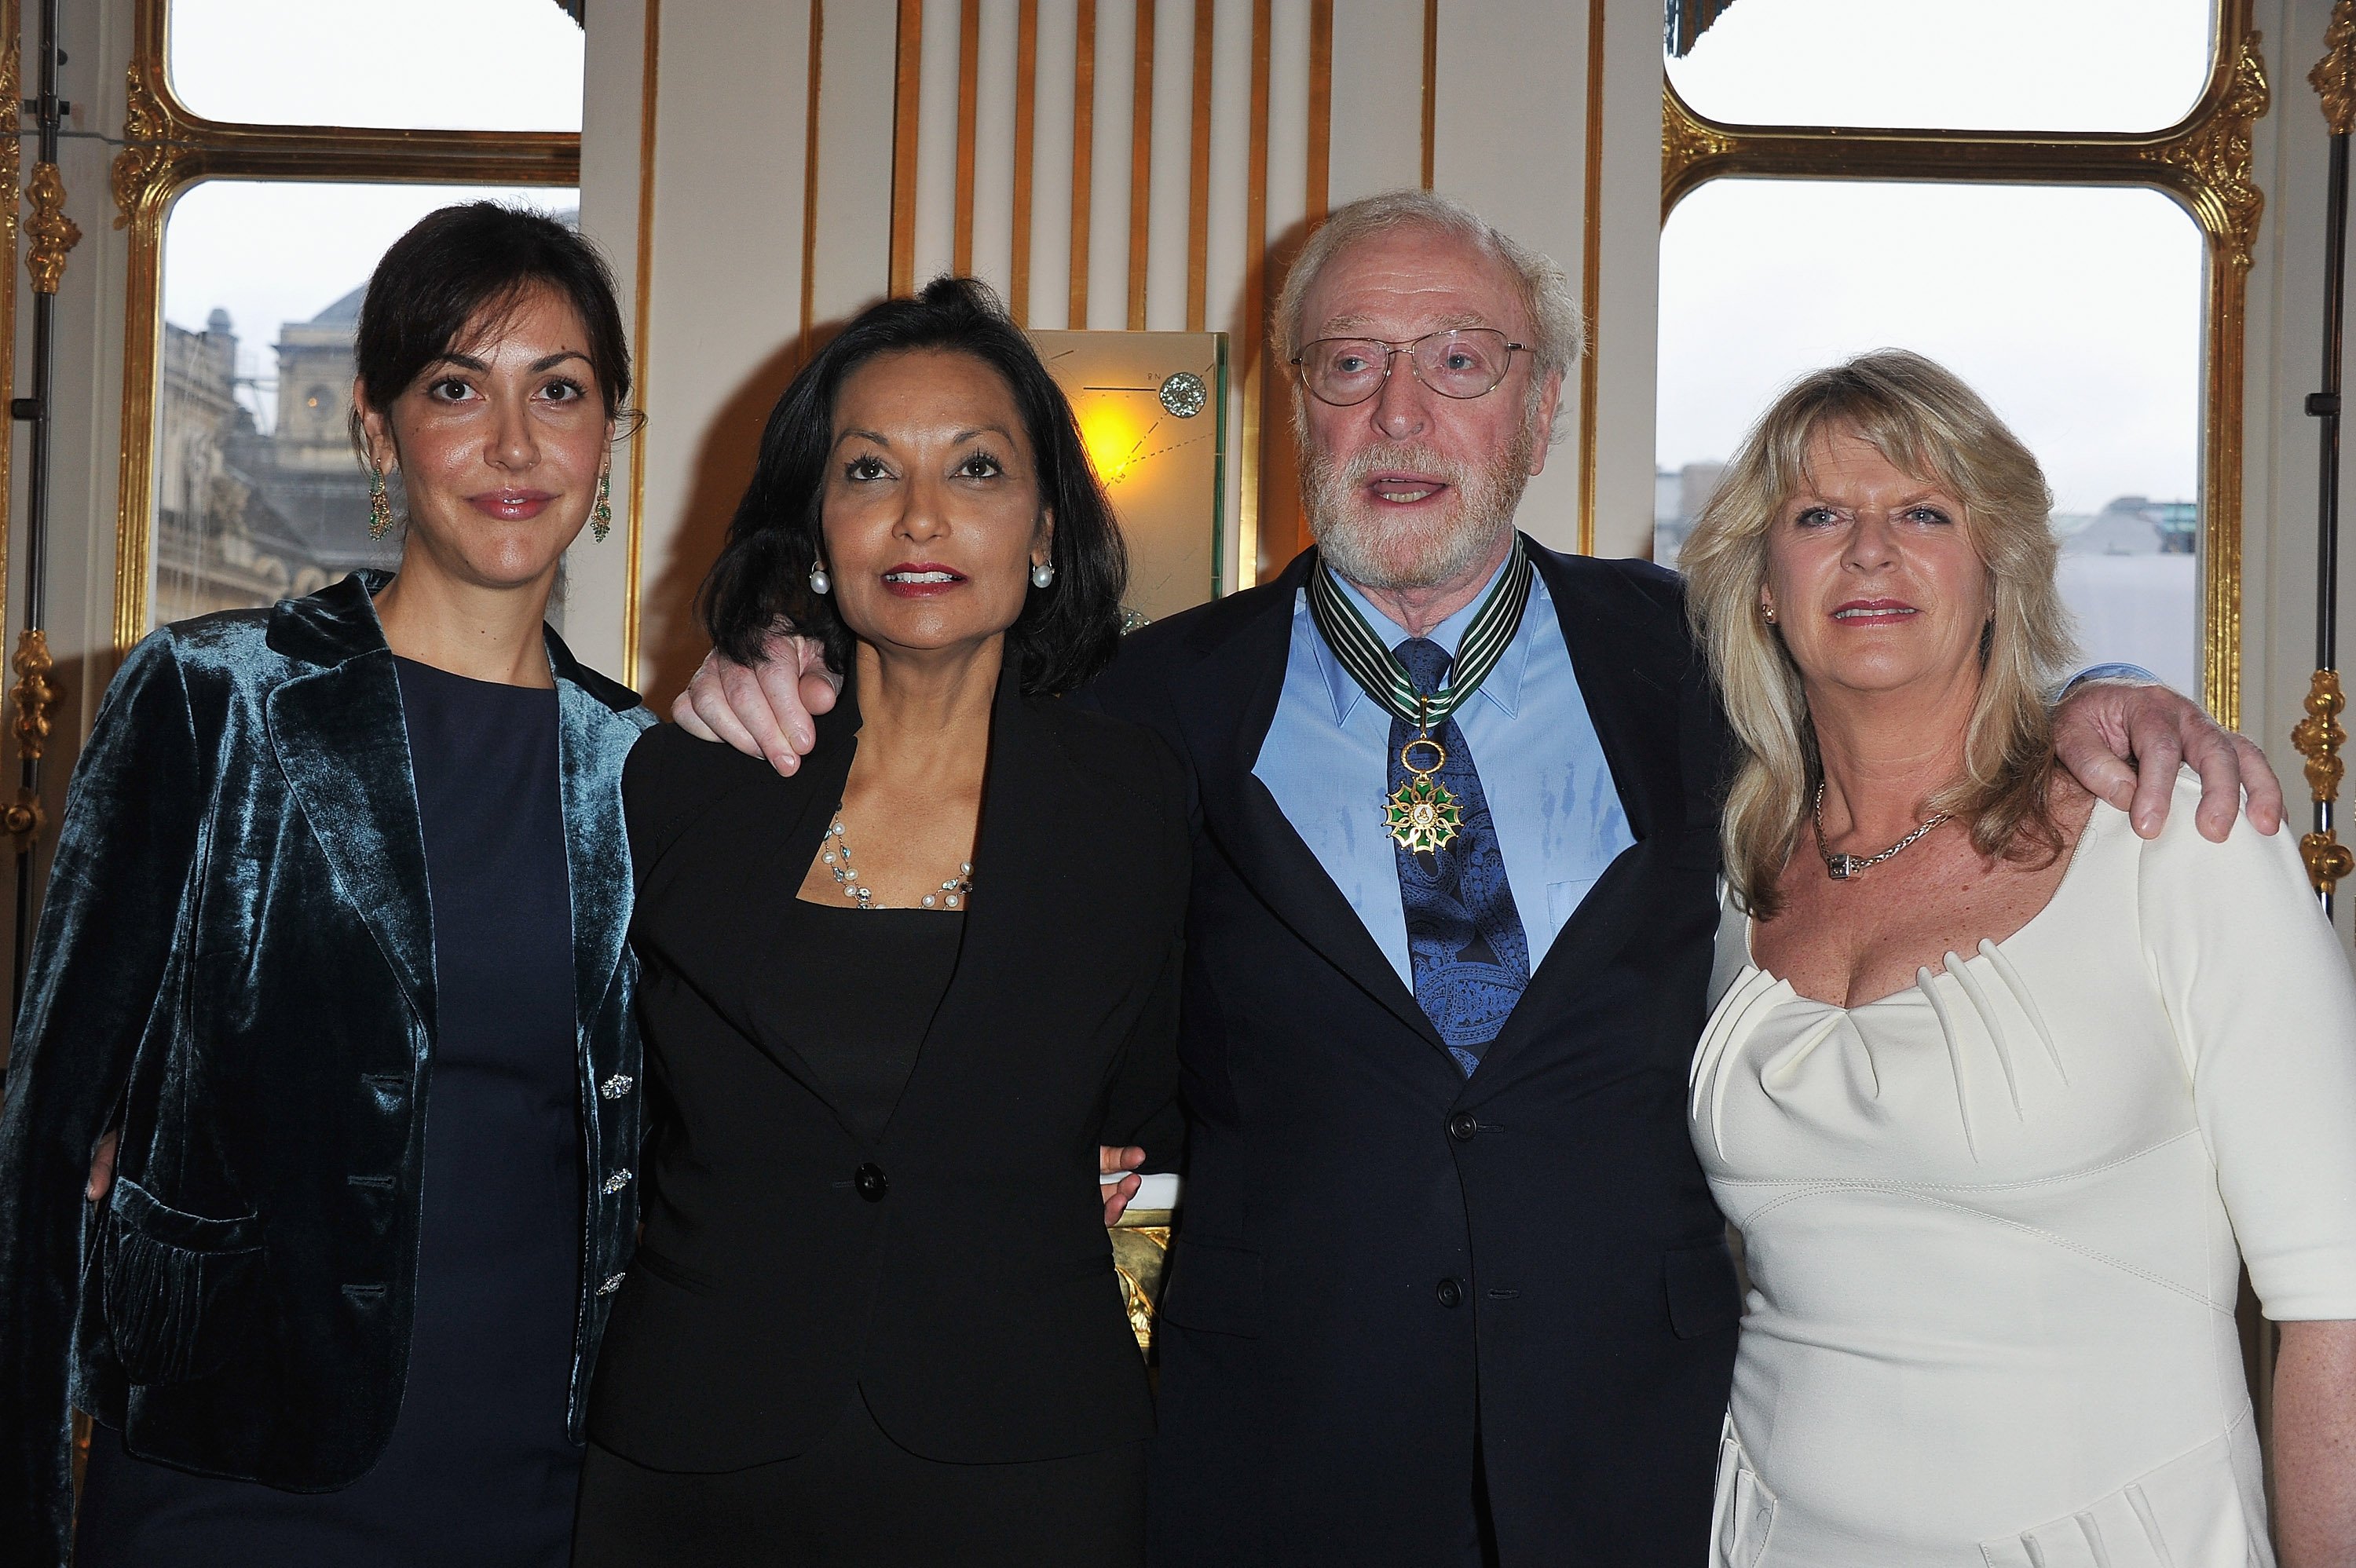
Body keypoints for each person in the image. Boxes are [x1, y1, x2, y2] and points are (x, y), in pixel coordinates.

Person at [675, 191, 2282, 1566]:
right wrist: (771, 670)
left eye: (1460, 365)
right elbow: (925, 778)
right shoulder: (1141, 711)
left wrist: (2108, 690)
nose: (1399, 417)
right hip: (1275, 1464)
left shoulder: (1701, 661)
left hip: (1646, 1463)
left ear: (1543, 405)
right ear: (1295, 406)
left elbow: (1924, 688)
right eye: (1350, 366)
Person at [0, 203, 653, 1568]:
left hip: (537, 1474)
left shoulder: (641, 765)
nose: (516, 445)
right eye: (457, 389)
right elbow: (48, 1133)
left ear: (610, 439)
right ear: (377, 428)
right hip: (230, 1468)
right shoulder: (213, 697)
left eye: (562, 392)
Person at [1679, 351, 2356, 1566]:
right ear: (1764, 586)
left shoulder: (2176, 835)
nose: (1871, 549)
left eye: (1925, 513)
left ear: (1997, 572)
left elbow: (2338, 1300)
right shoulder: (1731, 868)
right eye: (1821, 515)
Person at [570, 276, 1184, 1568]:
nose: (920, 517)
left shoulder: (1141, 806)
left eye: (974, 467)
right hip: (697, 1458)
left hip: (1029, 1465)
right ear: (816, 530)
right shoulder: (681, 783)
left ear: (1046, 526)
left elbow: (1162, 1096)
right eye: (867, 470)